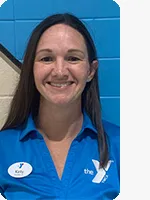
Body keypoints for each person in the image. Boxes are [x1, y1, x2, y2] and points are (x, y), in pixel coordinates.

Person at [0, 13, 120, 200]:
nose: (60, 71)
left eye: (73, 58)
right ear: (31, 69)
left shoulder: (122, 145)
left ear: (91, 71)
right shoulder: (3, 147)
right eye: (46, 59)